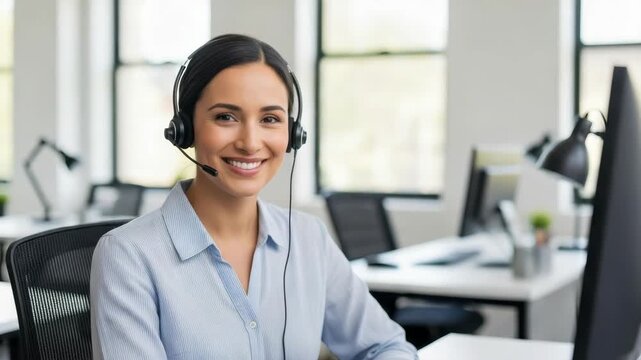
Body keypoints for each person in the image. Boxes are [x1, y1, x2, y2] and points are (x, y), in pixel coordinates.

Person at [90, 34, 418, 360]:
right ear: (185, 128)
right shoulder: (128, 256)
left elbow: (387, 346)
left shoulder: (307, 239)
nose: (250, 142)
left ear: (293, 135)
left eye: (270, 119)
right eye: (226, 117)